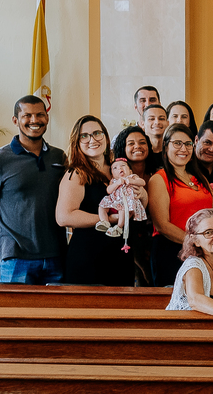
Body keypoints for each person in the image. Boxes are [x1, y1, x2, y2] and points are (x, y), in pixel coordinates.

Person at [0, 96, 67, 283]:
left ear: (47, 118)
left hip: (56, 257)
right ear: (15, 120)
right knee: (12, 305)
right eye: (27, 115)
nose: (34, 120)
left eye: (40, 115)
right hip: (14, 261)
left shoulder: (59, 156)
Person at [56, 116, 139, 286]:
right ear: (77, 142)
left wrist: (141, 195)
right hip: (88, 257)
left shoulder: (118, 170)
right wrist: (108, 219)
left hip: (120, 255)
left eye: (97, 133)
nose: (92, 140)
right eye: (84, 136)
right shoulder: (76, 174)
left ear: (106, 138)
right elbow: (64, 217)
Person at [147, 123, 213, 287]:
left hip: (205, 252)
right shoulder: (159, 179)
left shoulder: (200, 178)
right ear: (166, 147)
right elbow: (162, 225)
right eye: (177, 143)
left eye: (188, 144)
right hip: (173, 251)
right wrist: (196, 243)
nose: (183, 149)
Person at [113, 125, 154, 283]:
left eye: (142, 142)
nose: (137, 146)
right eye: (131, 143)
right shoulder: (115, 177)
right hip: (127, 240)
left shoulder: (157, 173)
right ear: (122, 148)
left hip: (154, 239)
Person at [95, 157, 148, 244]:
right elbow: (109, 190)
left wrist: (131, 181)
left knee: (122, 208)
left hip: (126, 201)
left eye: (123, 165)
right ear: (112, 174)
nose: (119, 168)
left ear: (130, 171)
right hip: (114, 201)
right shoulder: (114, 181)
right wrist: (117, 183)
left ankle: (119, 227)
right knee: (102, 206)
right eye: (115, 168)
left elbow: (142, 182)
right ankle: (104, 222)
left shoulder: (132, 177)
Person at [141, 104, 168, 173]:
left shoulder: (172, 151)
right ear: (142, 124)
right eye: (151, 119)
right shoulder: (139, 151)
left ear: (168, 123)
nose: (157, 122)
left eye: (161, 119)